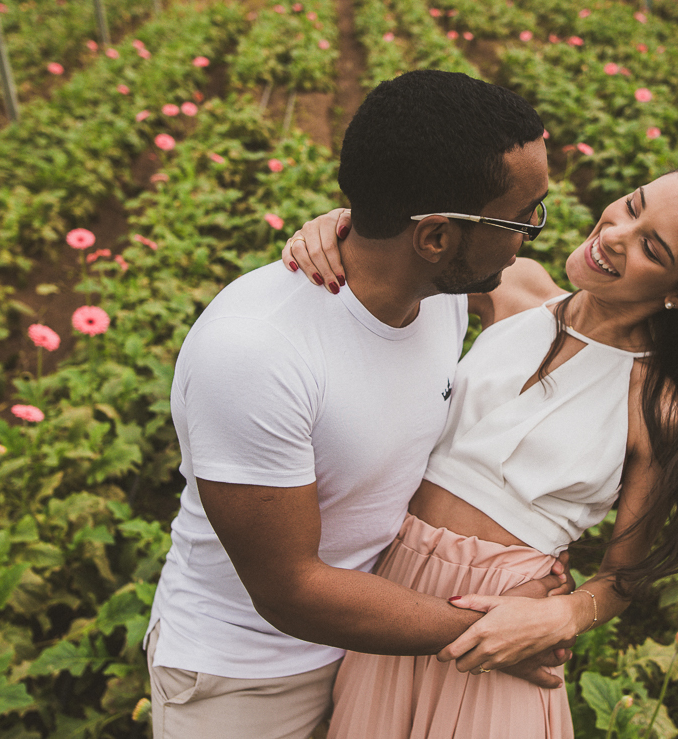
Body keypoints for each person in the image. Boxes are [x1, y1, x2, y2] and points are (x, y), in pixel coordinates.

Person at [282, 164, 678, 738]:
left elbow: (625, 575)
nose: (616, 234)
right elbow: (396, 265)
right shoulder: (515, 288)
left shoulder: (658, 405)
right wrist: (339, 228)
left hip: (510, 614)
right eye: (633, 206)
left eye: (652, 249)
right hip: (391, 592)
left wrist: (563, 615)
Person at [143, 70, 572, 739]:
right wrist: (493, 631)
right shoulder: (256, 352)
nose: (526, 237)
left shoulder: (440, 288)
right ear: (435, 237)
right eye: (520, 218)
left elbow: (570, 312)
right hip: (246, 676)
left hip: (380, 642)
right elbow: (290, 589)